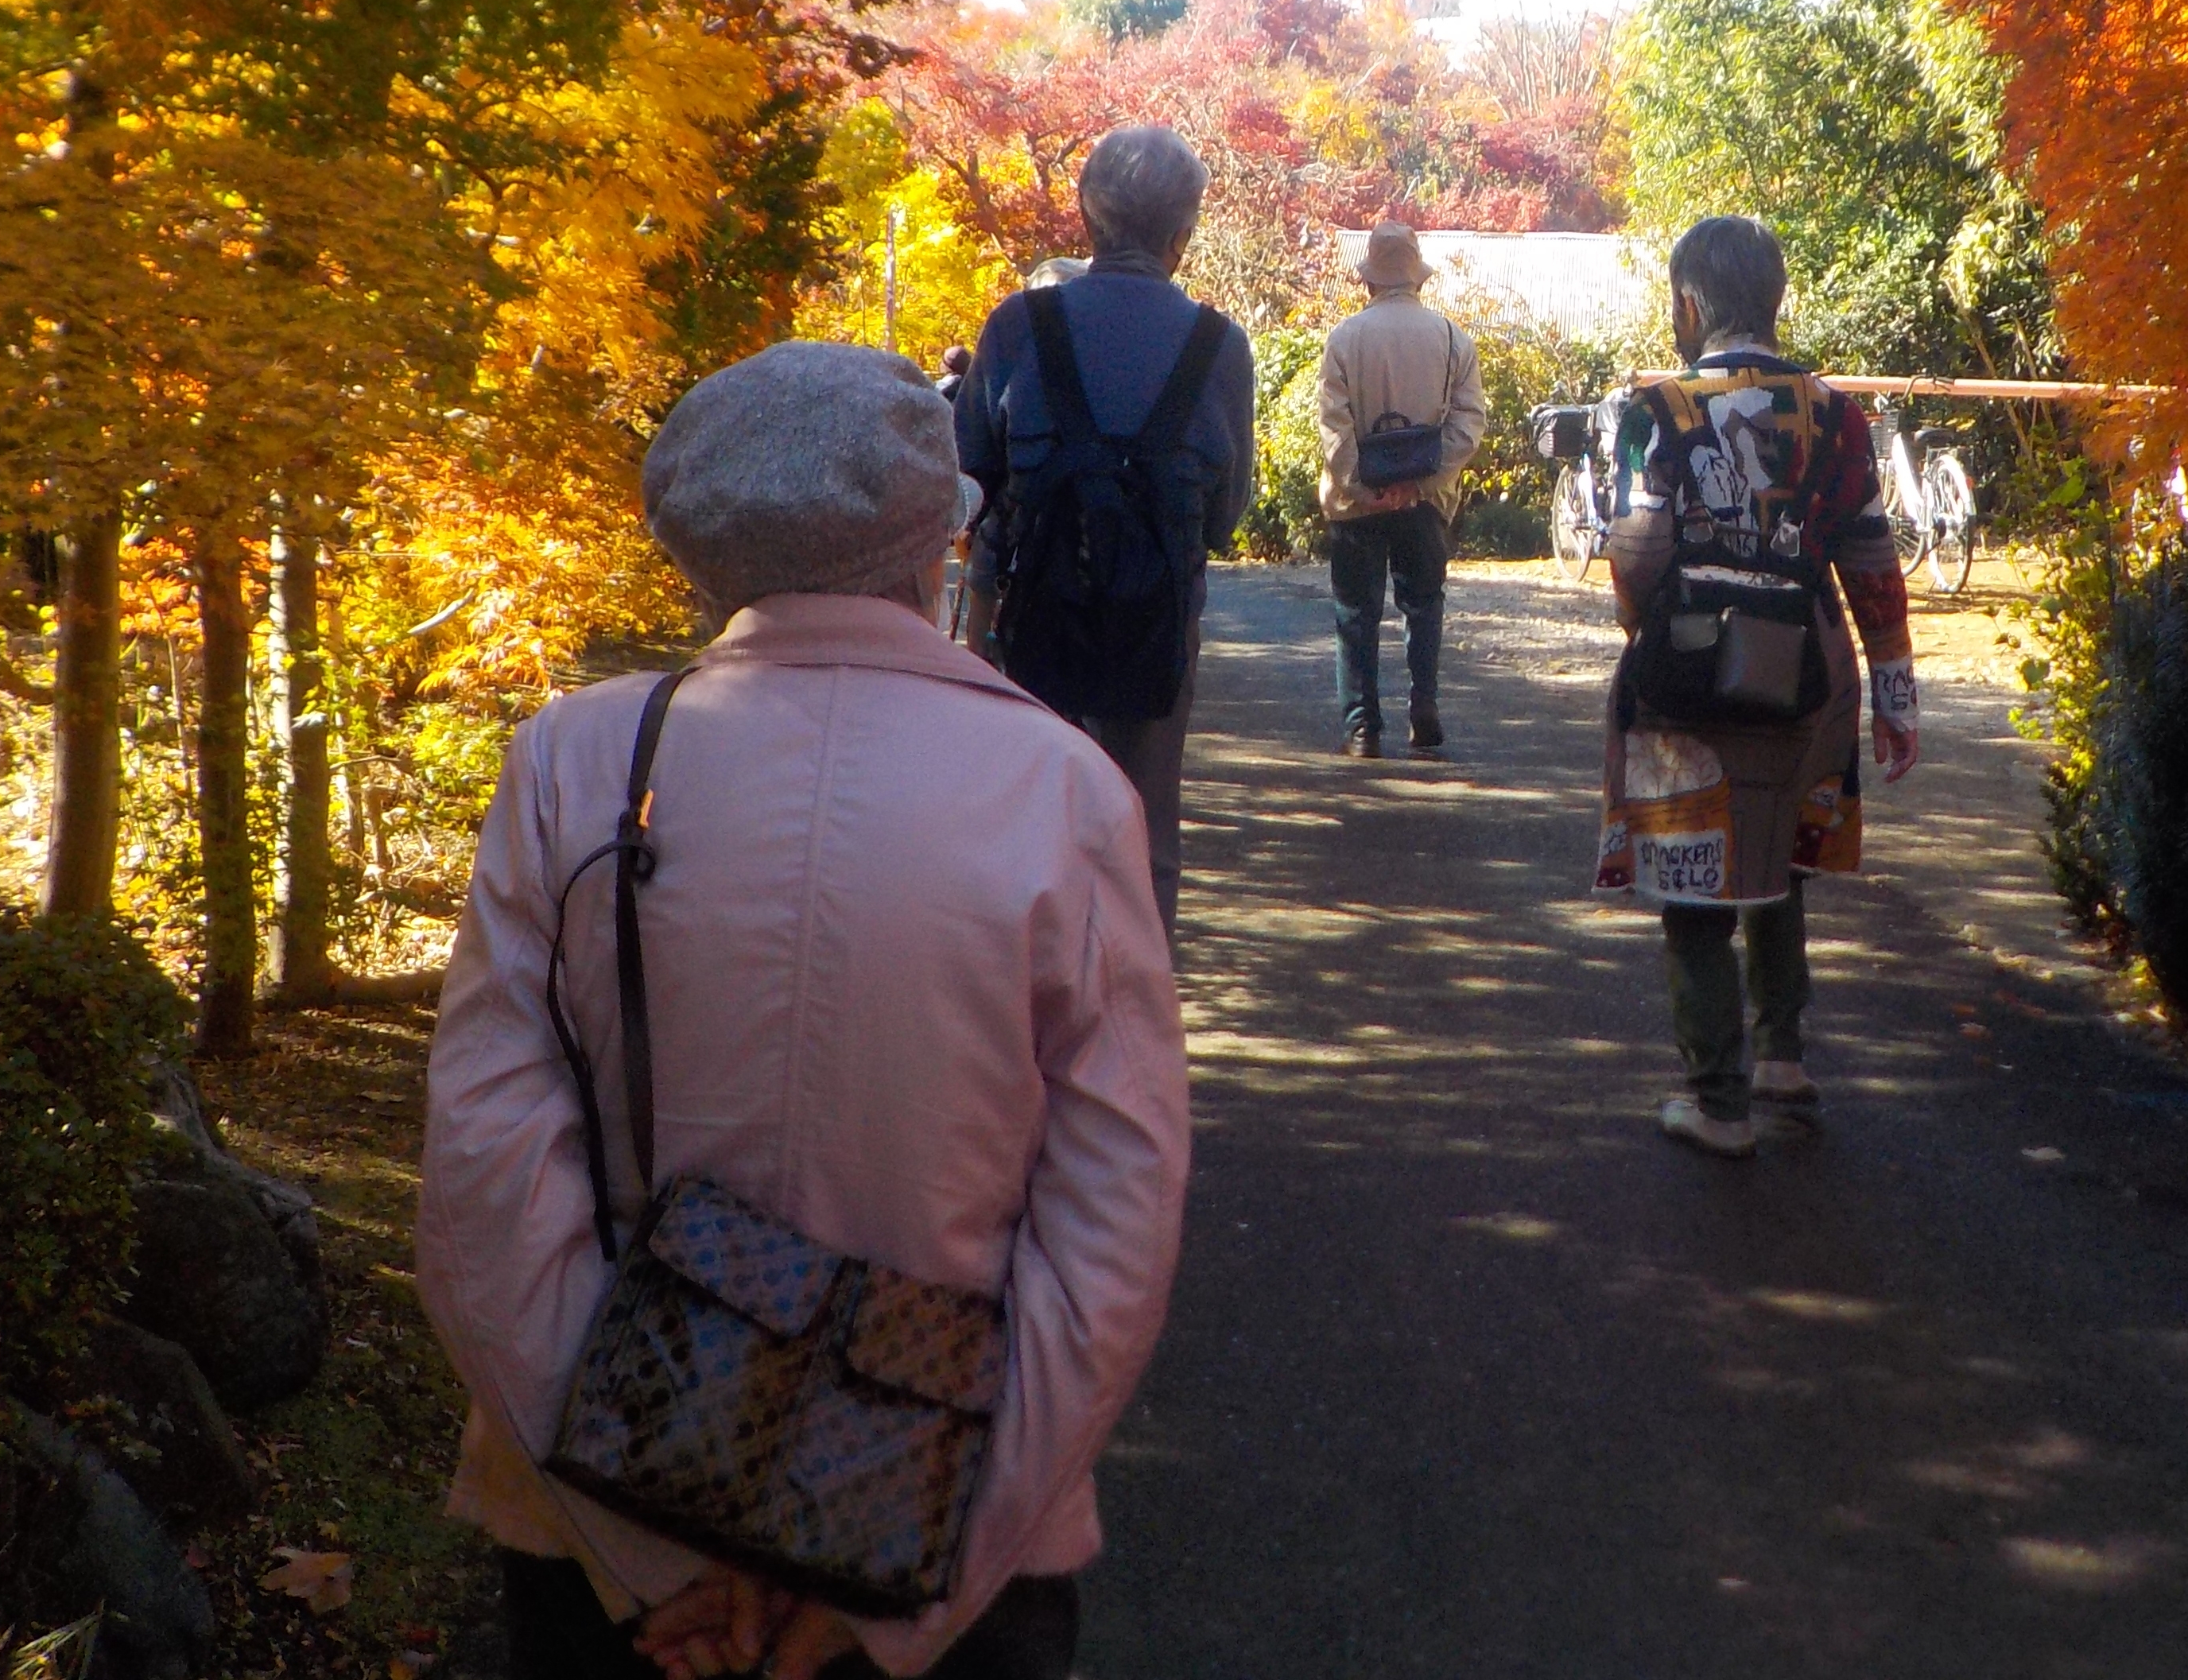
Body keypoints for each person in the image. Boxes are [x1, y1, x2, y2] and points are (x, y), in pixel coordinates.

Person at [417, 340, 1189, 1680]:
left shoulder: (576, 762)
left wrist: (657, 1557)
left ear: (694, 552)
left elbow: (486, 1186)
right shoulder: (1063, 790)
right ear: (938, 539)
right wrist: (887, 1571)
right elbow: (1111, 1230)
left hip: (604, 1549)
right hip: (945, 1523)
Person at [1594, 216, 1919, 1158]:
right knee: (1779, 854)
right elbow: (1870, 558)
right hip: (1809, 671)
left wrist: (1636, 622)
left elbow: (1640, 542)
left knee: (1692, 874)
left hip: (1689, 670)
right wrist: (1895, 697)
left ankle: (1716, 1099)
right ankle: (1782, 1055)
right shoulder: (1834, 411)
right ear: (1773, 299)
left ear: (1690, 304)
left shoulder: (1654, 409)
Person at [956, 126, 1256, 933]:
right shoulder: (1218, 345)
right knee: (1144, 820)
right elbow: (1226, 514)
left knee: (1026, 814)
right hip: (1158, 612)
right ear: (1180, 236)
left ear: (1085, 219)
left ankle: (1025, 1008)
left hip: (1032, 612)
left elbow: (970, 481)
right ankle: (1136, 1011)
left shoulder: (1018, 327)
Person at [1314, 221, 1487, 756]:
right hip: (1425, 502)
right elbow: (1468, 425)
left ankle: (1363, 728)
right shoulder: (1455, 339)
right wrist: (1422, 482)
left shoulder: (1344, 339)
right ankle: (1423, 705)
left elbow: (1334, 429)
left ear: (1369, 280)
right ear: (1417, 279)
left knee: (1356, 613)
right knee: (1424, 602)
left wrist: (1363, 487)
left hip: (1355, 504)